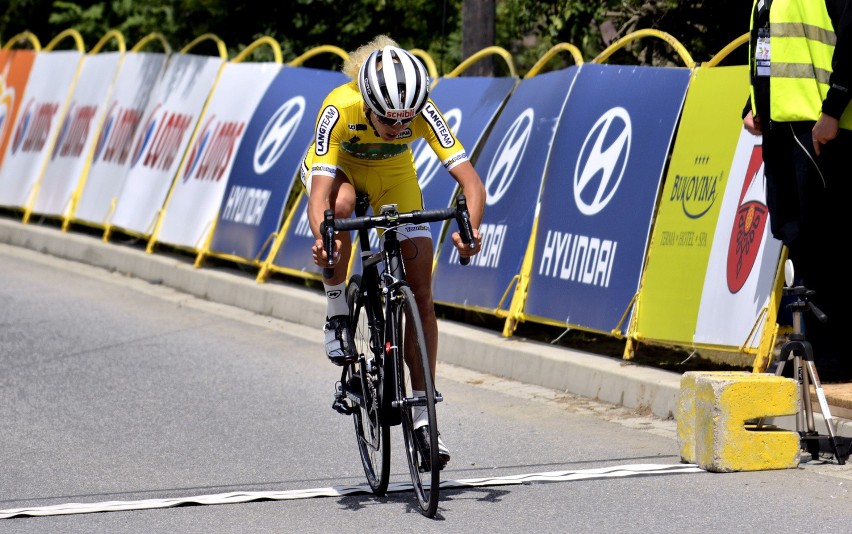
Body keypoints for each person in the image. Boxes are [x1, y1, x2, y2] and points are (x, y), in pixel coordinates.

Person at [301, 35, 486, 465]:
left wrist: (470, 230)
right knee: (342, 208)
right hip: (339, 169)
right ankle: (336, 312)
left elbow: (472, 184)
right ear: (366, 102)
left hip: (393, 174)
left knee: (421, 293)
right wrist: (323, 238)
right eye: (390, 122)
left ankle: (423, 419)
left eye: (407, 123)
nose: (401, 128)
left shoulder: (418, 107)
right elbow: (320, 198)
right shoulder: (339, 107)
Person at [743, 0, 852, 382]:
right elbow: (769, 43)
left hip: (819, 125)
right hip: (780, 125)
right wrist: (753, 102)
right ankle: (812, 355)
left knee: (826, 240)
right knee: (797, 238)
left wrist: (833, 109)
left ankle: (835, 358)